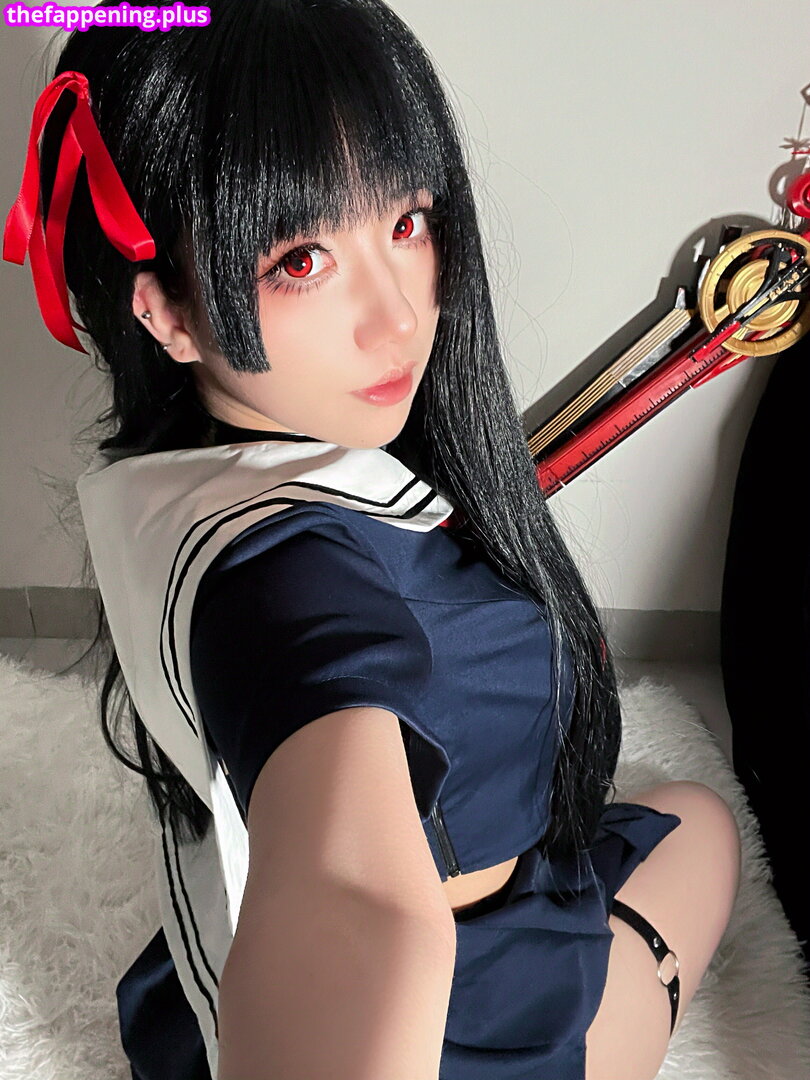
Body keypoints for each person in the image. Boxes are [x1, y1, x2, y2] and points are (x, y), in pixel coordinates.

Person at [5, 2, 741, 1077]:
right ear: (165, 311)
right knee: (699, 837)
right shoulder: (292, 580)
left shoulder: (178, 483)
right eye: (303, 259)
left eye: (406, 223)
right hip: (478, 1024)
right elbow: (356, 896)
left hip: (249, 961)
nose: (398, 315)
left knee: (681, 812)